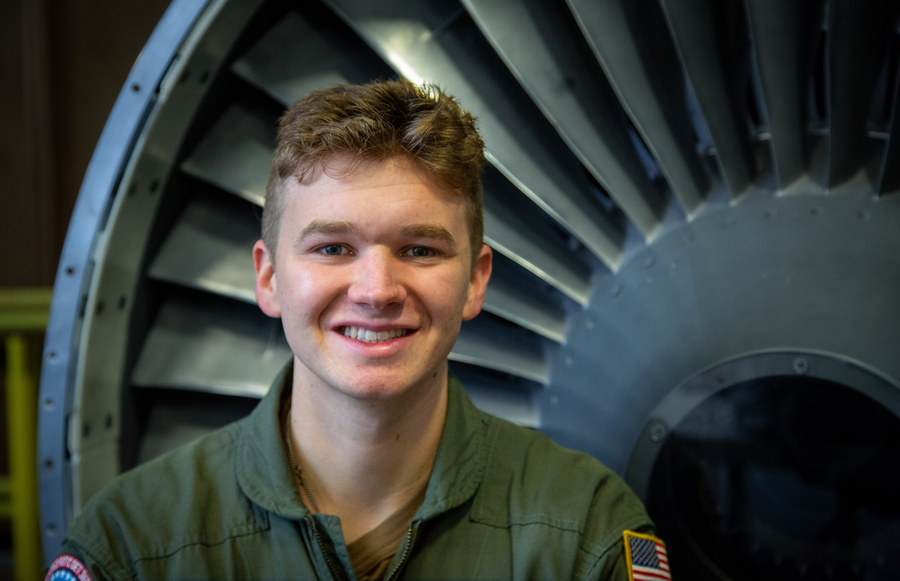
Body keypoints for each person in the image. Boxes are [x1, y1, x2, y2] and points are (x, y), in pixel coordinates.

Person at [47, 79, 668, 580]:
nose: (376, 291)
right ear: (268, 279)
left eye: (421, 250)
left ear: (476, 281)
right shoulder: (129, 545)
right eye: (333, 249)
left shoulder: (589, 537)